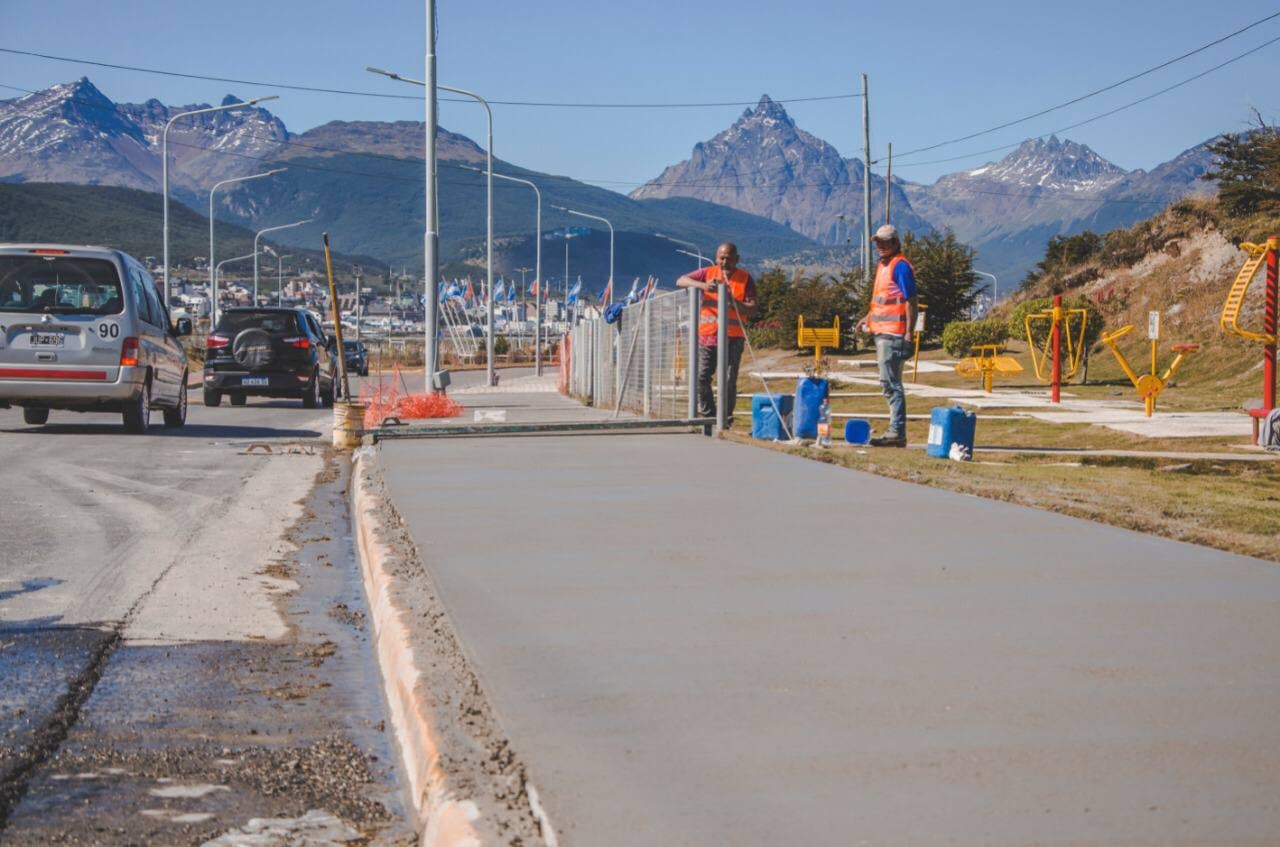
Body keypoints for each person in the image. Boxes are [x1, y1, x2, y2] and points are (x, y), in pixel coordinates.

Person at [676, 242, 758, 425]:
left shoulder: (745, 278)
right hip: (708, 336)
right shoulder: (708, 273)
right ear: (716, 258)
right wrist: (703, 286)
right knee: (701, 377)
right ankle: (709, 415)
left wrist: (735, 303)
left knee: (729, 379)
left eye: (729, 258)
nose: (725, 261)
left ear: (737, 259)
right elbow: (680, 281)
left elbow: (753, 309)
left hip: (733, 337)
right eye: (721, 257)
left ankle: (725, 418)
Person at [856, 224, 918, 447]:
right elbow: (883, 301)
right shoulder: (883, 266)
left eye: (884, 242)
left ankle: (897, 431)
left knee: (890, 383)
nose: (880, 246)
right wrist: (868, 317)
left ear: (894, 243)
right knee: (889, 382)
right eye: (877, 242)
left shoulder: (899, 266)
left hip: (894, 335)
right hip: (883, 333)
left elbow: (911, 301)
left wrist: (909, 333)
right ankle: (895, 430)